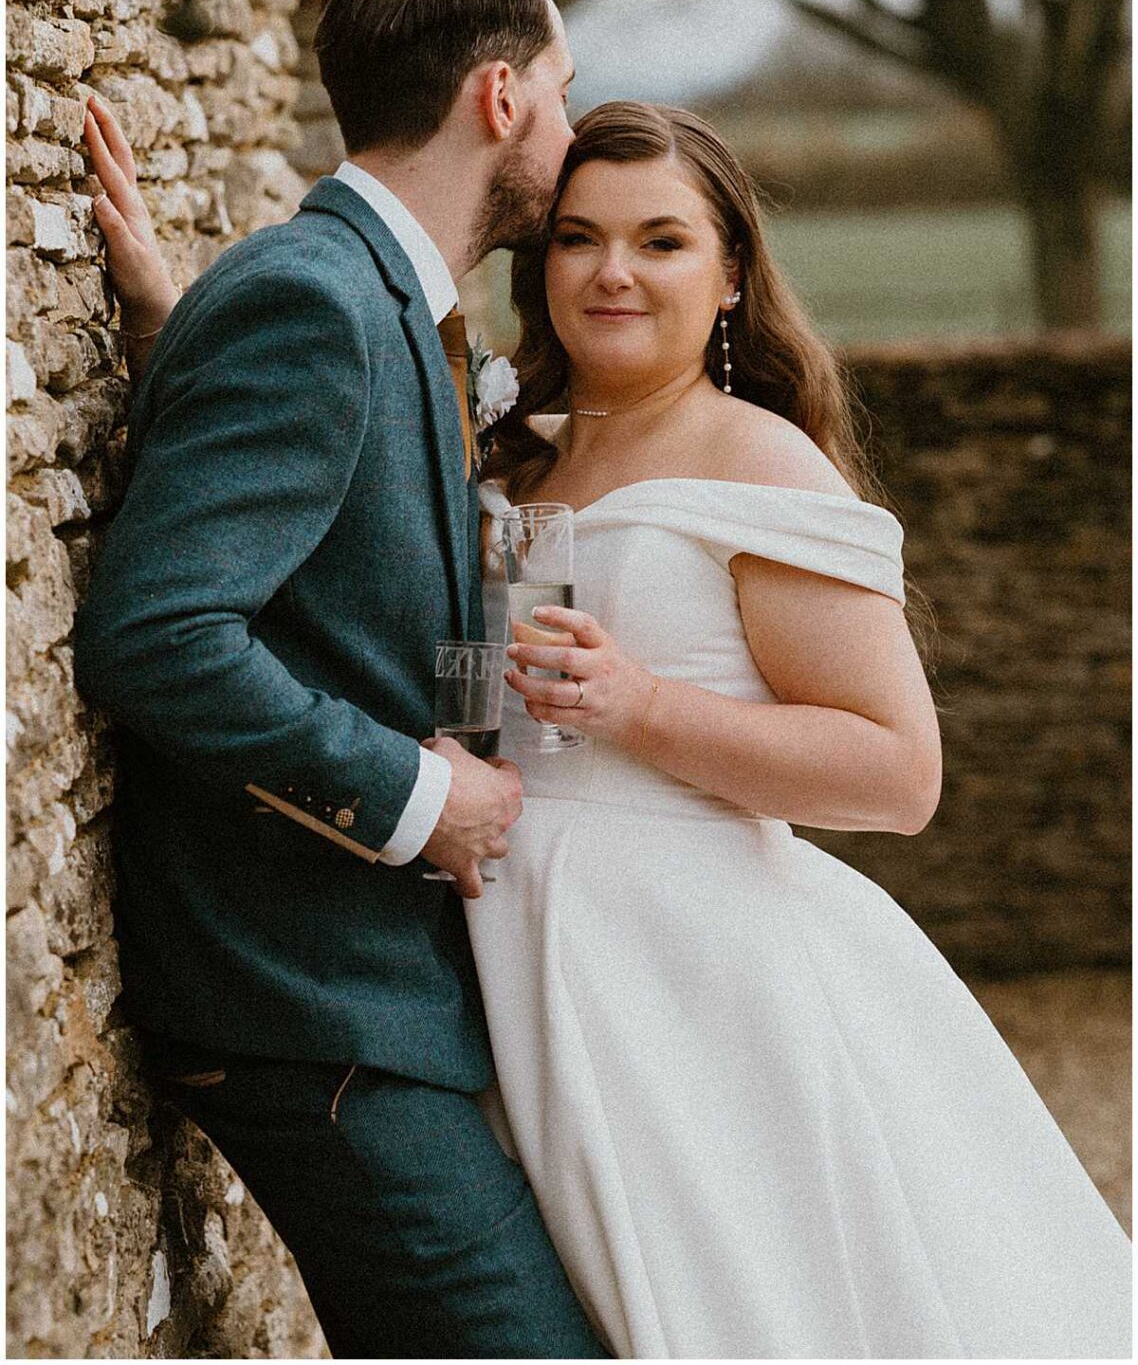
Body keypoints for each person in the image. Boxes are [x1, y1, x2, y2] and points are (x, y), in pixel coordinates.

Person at [86, 76, 1132, 1356]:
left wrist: (642, 704)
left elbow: (895, 774)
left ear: (733, 272)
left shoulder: (762, 461)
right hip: (495, 950)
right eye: (578, 236)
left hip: (689, 985)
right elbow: (346, 549)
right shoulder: (506, 444)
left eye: (661, 240)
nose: (610, 272)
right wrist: (174, 337)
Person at [72, 0, 607, 1363]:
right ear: (497, 97)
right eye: (562, 93)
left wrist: (180, 352)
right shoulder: (316, 300)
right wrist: (427, 801)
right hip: (306, 1005)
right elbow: (160, 635)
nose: (571, 129)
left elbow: (341, 556)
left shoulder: (379, 305)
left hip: (378, 1002)